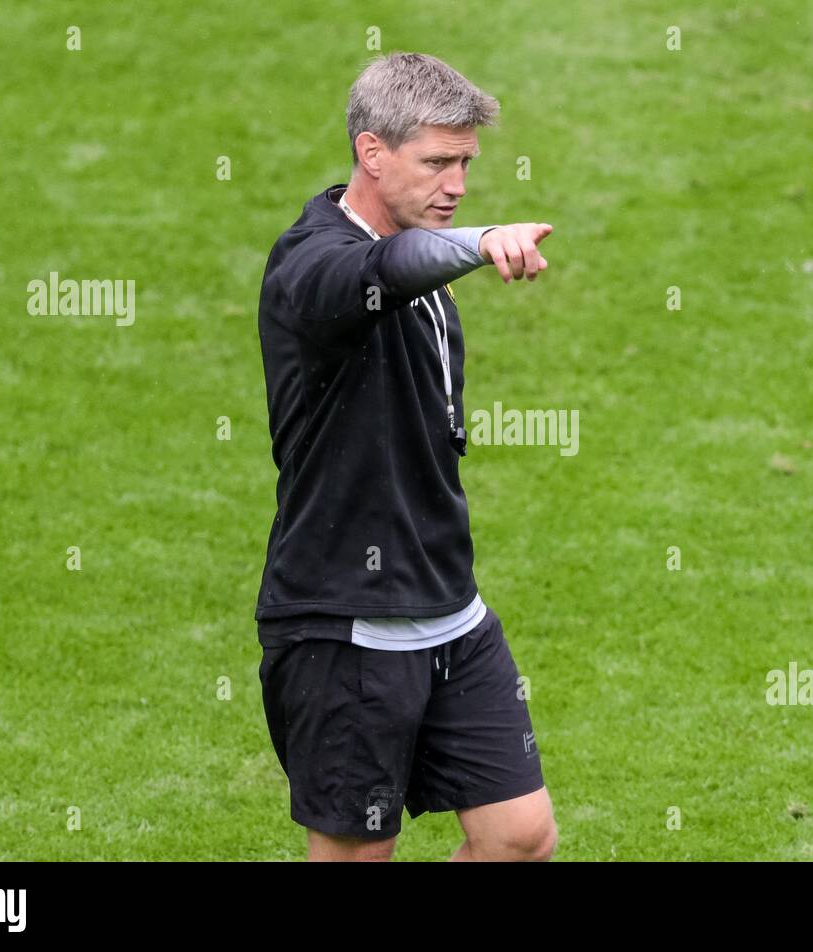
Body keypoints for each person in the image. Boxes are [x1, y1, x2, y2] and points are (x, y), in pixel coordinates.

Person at [254, 51, 557, 861]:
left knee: (519, 839)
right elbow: (385, 270)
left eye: (466, 163)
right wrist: (482, 240)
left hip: (450, 608)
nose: (456, 184)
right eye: (436, 162)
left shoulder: (424, 255)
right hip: (345, 621)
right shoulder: (312, 266)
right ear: (371, 152)